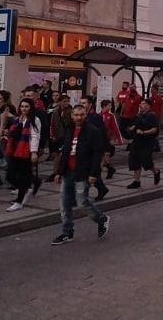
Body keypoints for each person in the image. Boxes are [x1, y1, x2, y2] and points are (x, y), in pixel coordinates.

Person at [51, 104, 110, 245]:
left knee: (82, 202)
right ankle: (67, 233)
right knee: (64, 204)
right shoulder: (69, 130)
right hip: (68, 172)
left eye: (81, 115)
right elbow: (65, 151)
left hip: (82, 173)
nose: (78, 118)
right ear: (72, 116)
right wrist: (59, 172)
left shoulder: (92, 131)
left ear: (86, 115)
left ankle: (102, 219)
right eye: (76, 115)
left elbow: (97, 154)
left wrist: (94, 174)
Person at [3, 98, 41, 212]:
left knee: (23, 176)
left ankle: (19, 201)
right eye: (22, 106)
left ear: (31, 108)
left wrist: (34, 152)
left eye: (26, 106)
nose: (24, 109)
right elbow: (14, 133)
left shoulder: (34, 120)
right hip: (15, 150)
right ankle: (33, 182)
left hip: (26, 151)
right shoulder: (18, 119)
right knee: (10, 175)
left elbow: (35, 136)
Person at [126, 99, 161, 189]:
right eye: (140, 104)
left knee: (147, 162)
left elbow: (155, 129)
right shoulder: (139, 115)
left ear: (149, 106)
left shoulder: (152, 116)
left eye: (143, 103)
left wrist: (144, 132)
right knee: (134, 160)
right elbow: (136, 125)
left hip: (147, 143)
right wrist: (131, 128)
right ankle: (137, 181)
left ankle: (156, 171)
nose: (141, 105)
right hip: (137, 142)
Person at [99, 99, 123, 180]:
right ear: (104, 106)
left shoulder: (111, 115)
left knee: (106, 154)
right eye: (109, 105)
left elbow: (115, 127)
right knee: (102, 156)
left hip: (108, 139)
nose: (111, 107)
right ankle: (109, 169)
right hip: (100, 138)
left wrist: (118, 139)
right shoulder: (99, 115)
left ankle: (101, 171)